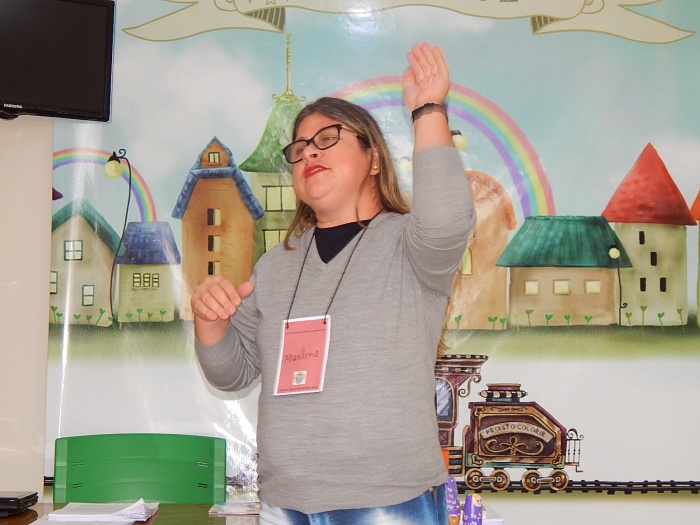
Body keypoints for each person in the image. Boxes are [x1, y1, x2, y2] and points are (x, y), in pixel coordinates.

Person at [191, 42, 476, 525]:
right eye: (299, 149)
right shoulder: (274, 266)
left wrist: (428, 110)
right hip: (285, 500)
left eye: (327, 138)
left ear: (374, 159)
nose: (308, 153)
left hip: (389, 499)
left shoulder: (410, 245)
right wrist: (209, 324)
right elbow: (232, 374)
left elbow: (448, 220)